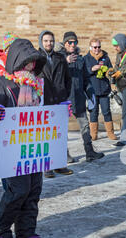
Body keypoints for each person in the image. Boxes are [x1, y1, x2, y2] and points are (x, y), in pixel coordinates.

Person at [0, 38, 48, 238]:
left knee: (33, 190)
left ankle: (26, 230)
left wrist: (62, 110)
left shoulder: (38, 84)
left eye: (34, 62)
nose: (31, 65)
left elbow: (49, 108)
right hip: (11, 149)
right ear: (17, 61)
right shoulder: (0, 83)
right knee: (17, 190)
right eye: (27, 61)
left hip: (34, 147)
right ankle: (0, 231)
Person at [59, 31, 105, 162]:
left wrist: (90, 93)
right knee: (62, 128)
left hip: (79, 98)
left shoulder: (80, 59)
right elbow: (54, 75)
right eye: (69, 42)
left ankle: (89, 152)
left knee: (85, 125)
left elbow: (85, 79)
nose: (72, 45)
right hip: (64, 99)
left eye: (75, 42)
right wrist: (65, 62)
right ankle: (64, 154)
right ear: (64, 43)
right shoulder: (59, 58)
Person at [38, 30, 75, 178]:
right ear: (41, 41)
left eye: (51, 41)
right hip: (44, 101)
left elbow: (68, 79)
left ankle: (59, 164)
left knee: (59, 135)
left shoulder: (60, 58)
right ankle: (47, 166)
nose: (49, 43)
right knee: (46, 135)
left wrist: (65, 95)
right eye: (46, 41)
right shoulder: (36, 58)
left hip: (59, 100)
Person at [84, 38, 118, 141]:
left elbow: (110, 70)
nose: (97, 49)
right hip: (92, 91)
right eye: (95, 47)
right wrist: (92, 69)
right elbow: (84, 73)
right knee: (93, 112)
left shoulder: (105, 58)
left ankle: (110, 133)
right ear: (91, 47)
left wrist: (109, 71)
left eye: (99, 47)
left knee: (106, 111)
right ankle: (93, 134)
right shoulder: (86, 58)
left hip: (104, 89)